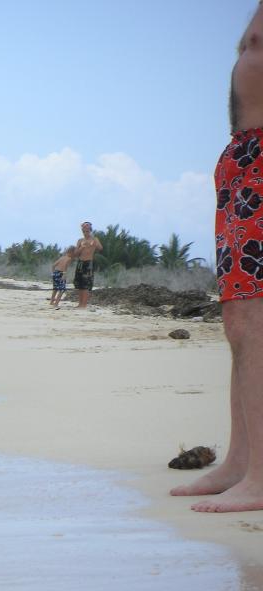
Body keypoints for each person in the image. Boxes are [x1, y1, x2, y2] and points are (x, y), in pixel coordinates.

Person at [170, 4, 263, 513]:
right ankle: (240, 462)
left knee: (252, 320)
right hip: (244, 157)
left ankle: (261, 475)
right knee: (240, 322)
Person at [73, 221, 102, 308]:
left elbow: (100, 248)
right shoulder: (80, 241)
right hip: (80, 263)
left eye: (87, 230)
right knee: (79, 284)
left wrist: (94, 243)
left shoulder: (94, 239)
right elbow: (75, 254)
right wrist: (82, 247)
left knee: (86, 284)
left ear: (90, 230)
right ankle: (80, 304)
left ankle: (84, 305)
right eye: (84, 230)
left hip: (88, 263)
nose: (86, 232)